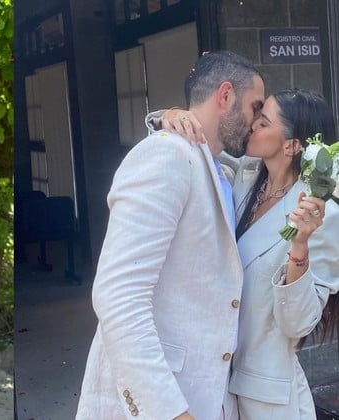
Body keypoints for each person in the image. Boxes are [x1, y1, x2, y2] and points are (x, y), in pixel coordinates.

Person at [76, 50, 265, 420]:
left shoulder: (223, 169)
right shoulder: (166, 156)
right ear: (225, 95)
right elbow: (119, 295)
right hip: (161, 402)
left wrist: (164, 115)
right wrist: (169, 412)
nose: (257, 121)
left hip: (208, 394)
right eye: (255, 107)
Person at [157, 89, 339, 419]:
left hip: (267, 396)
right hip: (214, 380)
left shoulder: (320, 212)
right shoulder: (244, 174)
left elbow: (298, 324)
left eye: (264, 122)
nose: (252, 124)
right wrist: (169, 116)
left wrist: (299, 246)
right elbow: (195, 148)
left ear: (291, 146)